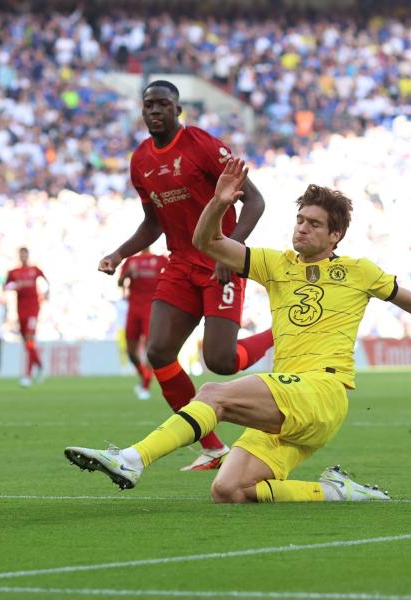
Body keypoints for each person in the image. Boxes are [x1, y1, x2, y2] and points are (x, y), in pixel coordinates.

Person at [65, 158, 411, 503]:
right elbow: (205, 242)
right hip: (288, 401)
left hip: (322, 390)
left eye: (314, 224)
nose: (302, 229)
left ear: (335, 236)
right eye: (300, 220)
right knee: (229, 491)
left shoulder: (360, 271)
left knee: (213, 394)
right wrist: (219, 204)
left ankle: (132, 459)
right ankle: (339, 493)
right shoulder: (274, 264)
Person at [98, 80, 273, 472]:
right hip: (178, 263)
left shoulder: (204, 145)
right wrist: (119, 253)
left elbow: (256, 201)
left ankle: (279, 334)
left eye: (162, 104)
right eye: (148, 105)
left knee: (221, 362)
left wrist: (230, 249)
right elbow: (153, 223)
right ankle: (212, 447)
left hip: (217, 261)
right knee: (158, 351)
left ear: (178, 110)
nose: (154, 111)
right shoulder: (140, 160)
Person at [118, 247, 169, 399]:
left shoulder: (161, 260)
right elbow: (120, 283)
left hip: (152, 309)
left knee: (150, 349)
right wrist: (126, 275)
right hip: (133, 309)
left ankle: (145, 385)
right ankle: (144, 376)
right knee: (130, 351)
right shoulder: (131, 261)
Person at [6, 246, 49, 387]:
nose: (23, 257)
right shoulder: (14, 273)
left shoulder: (34, 270)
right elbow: (6, 286)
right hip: (20, 312)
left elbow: (46, 282)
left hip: (33, 311)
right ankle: (40, 365)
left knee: (30, 340)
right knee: (28, 344)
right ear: (19, 256)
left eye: (25, 254)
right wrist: (13, 286)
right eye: (21, 255)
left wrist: (47, 293)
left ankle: (27, 375)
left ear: (28, 255)